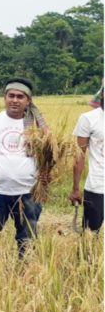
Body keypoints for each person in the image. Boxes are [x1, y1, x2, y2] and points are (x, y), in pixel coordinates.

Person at [0, 78, 48, 257]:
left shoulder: (39, 127)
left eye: (20, 96)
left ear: (28, 100)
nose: (15, 100)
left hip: (29, 191)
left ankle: (26, 273)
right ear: (4, 98)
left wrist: (46, 174)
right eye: (11, 95)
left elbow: (49, 156)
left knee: (27, 237)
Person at [70, 86, 103, 233]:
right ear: (102, 94)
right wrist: (76, 189)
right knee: (89, 235)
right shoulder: (89, 118)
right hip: (98, 186)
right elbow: (79, 156)